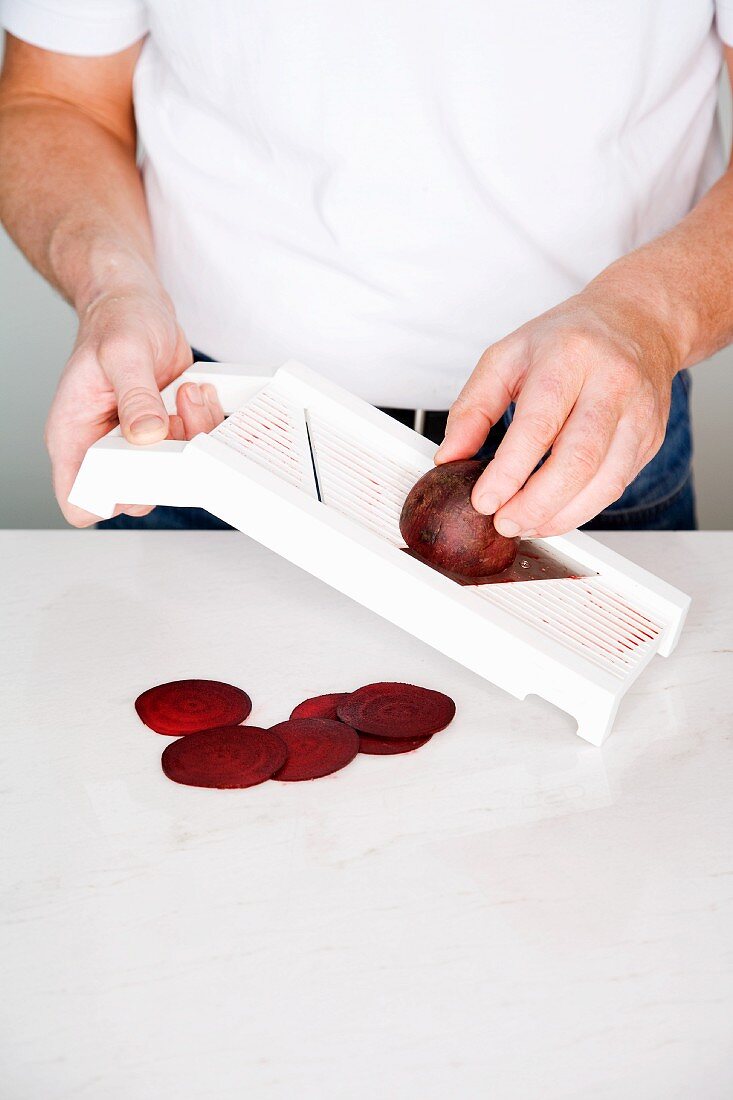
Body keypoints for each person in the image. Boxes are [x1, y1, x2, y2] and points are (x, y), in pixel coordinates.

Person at [1, 3, 732, 534]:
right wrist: (111, 287)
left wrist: (647, 318)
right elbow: (55, 98)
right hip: (200, 423)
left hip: (579, 439)